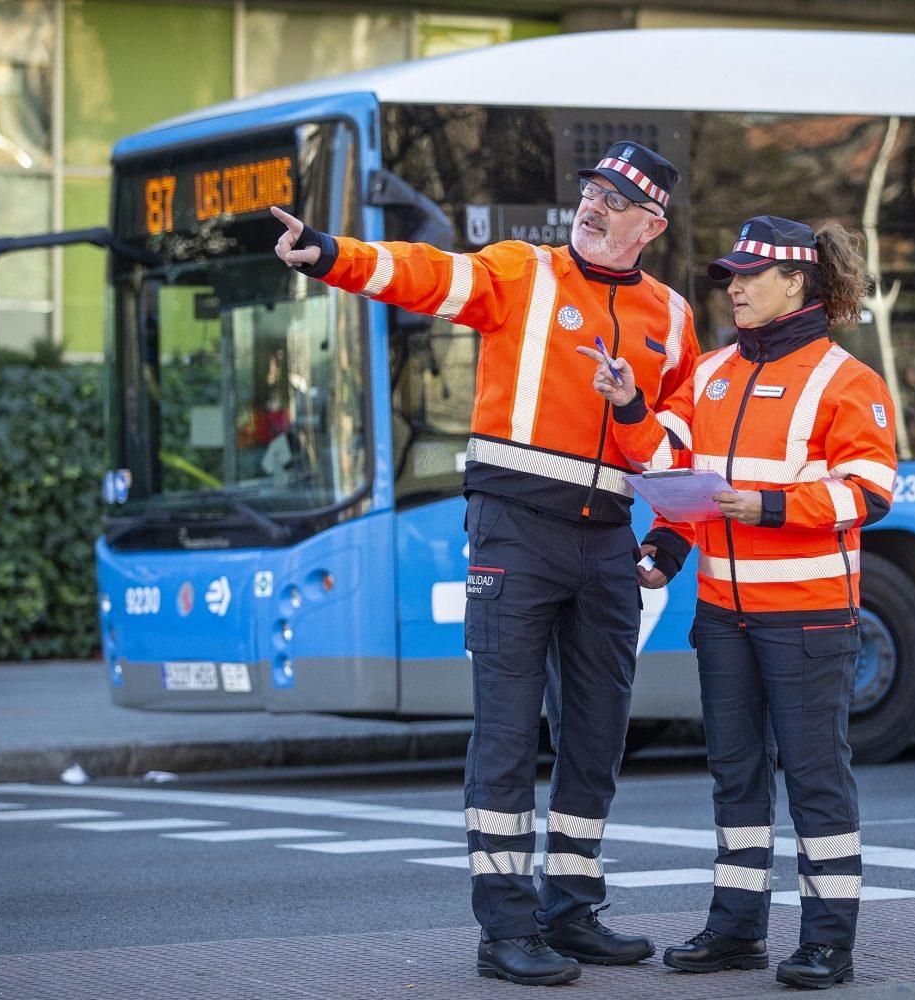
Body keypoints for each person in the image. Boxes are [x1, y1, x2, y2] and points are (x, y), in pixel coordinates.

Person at [271, 140, 700, 987]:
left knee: (597, 734)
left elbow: (682, 438)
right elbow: (427, 273)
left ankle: (572, 910)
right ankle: (505, 928)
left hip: (609, 537)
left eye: (616, 200)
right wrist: (330, 254)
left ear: (650, 224)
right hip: (512, 529)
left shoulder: (673, 317)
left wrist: (673, 534)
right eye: (591, 191)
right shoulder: (522, 271)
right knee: (505, 734)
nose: (594, 205)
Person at [582, 216, 897, 990]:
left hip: (810, 617)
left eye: (751, 274)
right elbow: (671, 466)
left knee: (817, 778)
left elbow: (872, 491)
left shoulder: (847, 380)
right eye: (731, 274)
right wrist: (631, 414)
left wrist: (769, 506)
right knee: (735, 775)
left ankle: (828, 943)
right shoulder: (715, 370)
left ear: (798, 282)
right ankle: (735, 933)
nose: (735, 286)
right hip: (724, 616)